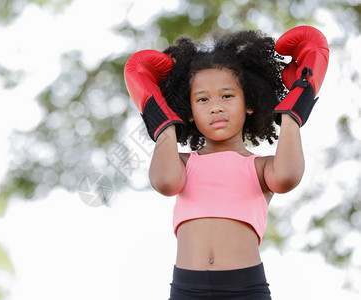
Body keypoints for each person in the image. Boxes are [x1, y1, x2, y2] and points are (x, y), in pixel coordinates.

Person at [124, 26, 329, 299]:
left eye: (227, 95)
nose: (215, 106)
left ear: (250, 102)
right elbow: (165, 182)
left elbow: (287, 177)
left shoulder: (259, 167)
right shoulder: (181, 163)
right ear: (190, 112)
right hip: (187, 289)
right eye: (202, 99)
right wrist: (161, 121)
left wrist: (294, 109)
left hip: (245, 288)